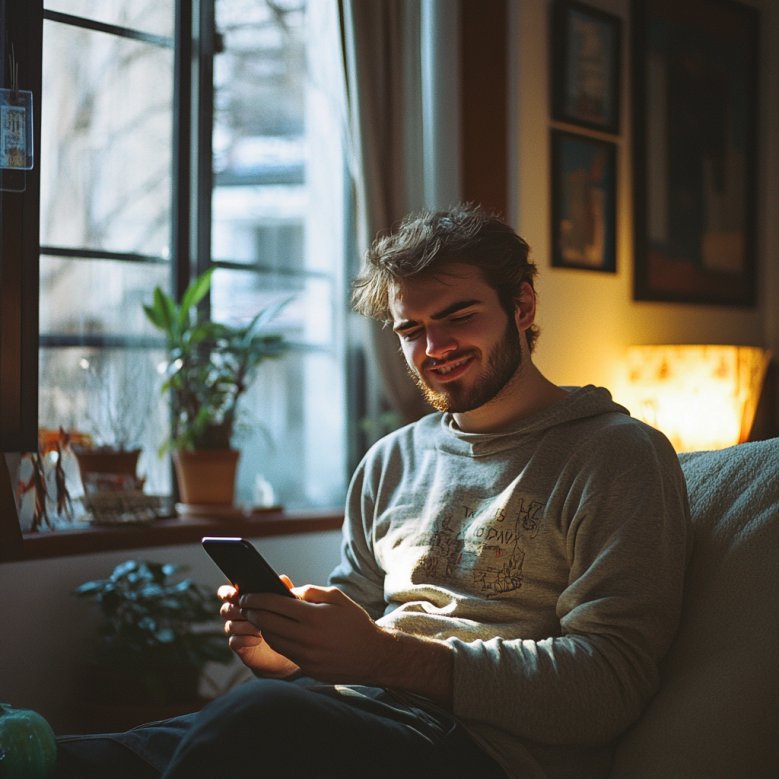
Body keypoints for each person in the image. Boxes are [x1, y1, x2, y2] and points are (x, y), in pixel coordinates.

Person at [57, 204, 690, 779]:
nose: (432, 349)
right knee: (82, 758)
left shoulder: (616, 454)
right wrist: (288, 649)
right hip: (347, 715)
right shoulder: (393, 459)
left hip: (477, 750)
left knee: (249, 720)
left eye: (458, 317)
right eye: (410, 329)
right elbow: (357, 621)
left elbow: (610, 683)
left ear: (522, 308)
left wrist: (387, 659)